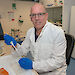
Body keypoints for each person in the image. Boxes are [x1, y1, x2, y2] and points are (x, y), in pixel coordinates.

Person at [4, 3, 67, 75]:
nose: (36, 18)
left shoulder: (57, 32)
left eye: (40, 14)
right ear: (31, 18)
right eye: (33, 15)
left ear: (46, 16)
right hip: (36, 71)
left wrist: (33, 65)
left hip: (54, 73)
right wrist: (14, 45)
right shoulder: (30, 32)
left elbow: (58, 61)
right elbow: (21, 52)